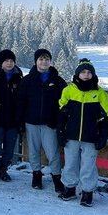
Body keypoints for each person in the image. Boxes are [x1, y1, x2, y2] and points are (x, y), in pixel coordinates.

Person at [57, 59, 108, 207]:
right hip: (71, 135)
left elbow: (106, 116)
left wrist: (103, 135)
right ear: (77, 74)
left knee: (88, 165)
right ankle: (70, 188)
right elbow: (62, 113)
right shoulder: (68, 90)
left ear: (93, 75)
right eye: (83, 72)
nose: (86, 75)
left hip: (91, 137)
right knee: (70, 163)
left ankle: (87, 192)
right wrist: (60, 131)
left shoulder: (100, 93)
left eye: (89, 72)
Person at [16, 48, 67, 192]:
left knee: (52, 153)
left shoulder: (57, 81)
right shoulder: (27, 80)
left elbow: (65, 104)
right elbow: (21, 102)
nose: (44, 62)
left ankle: (56, 177)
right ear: (36, 61)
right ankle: (36, 175)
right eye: (41, 59)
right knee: (33, 151)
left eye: (47, 59)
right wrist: (20, 122)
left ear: (50, 61)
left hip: (49, 124)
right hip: (31, 122)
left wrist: (58, 120)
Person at [0, 49, 23, 182]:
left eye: (11, 61)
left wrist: (20, 119)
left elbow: (22, 101)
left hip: (13, 120)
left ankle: (3, 169)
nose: (9, 63)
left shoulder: (19, 78)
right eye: (6, 61)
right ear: (1, 63)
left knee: (9, 147)